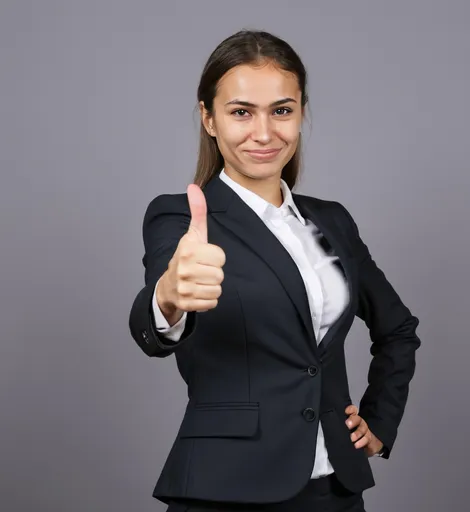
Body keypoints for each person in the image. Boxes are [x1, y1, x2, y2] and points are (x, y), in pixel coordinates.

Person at [129, 29, 421, 512]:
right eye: (241, 112)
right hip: (226, 487)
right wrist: (168, 299)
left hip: (335, 489)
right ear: (209, 118)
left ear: (302, 112)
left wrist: (380, 423)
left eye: (281, 110)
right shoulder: (179, 217)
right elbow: (154, 318)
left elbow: (399, 330)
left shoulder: (332, 220)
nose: (264, 133)